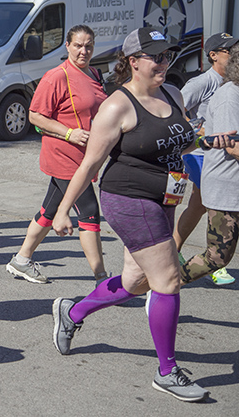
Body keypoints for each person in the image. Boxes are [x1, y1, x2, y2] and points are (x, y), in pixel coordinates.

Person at [50, 27, 232, 403]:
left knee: (136, 283)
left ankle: (72, 312)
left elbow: (184, 139)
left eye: (168, 55)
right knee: (167, 279)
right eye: (156, 56)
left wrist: (212, 140)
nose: (164, 62)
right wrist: (63, 210)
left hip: (166, 197)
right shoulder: (117, 106)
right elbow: (89, 165)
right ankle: (167, 371)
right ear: (134, 62)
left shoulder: (173, 92)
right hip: (129, 198)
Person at [6, 25, 108, 285]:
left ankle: (21, 259)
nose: (83, 51)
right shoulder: (57, 76)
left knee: (50, 208)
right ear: (67, 45)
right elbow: (35, 115)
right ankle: (101, 279)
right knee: (88, 211)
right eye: (78, 45)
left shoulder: (94, 73)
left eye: (88, 46)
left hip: (86, 157)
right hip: (64, 156)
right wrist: (69, 133)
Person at [173, 32, 238, 286]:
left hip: (217, 156)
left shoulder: (232, 84)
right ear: (213, 55)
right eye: (228, 51)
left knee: (199, 204)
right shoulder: (205, 82)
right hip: (200, 154)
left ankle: (204, 255)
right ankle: (208, 258)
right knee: (201, 204)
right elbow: (174, 107)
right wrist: (194, 128)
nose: (233, 54)